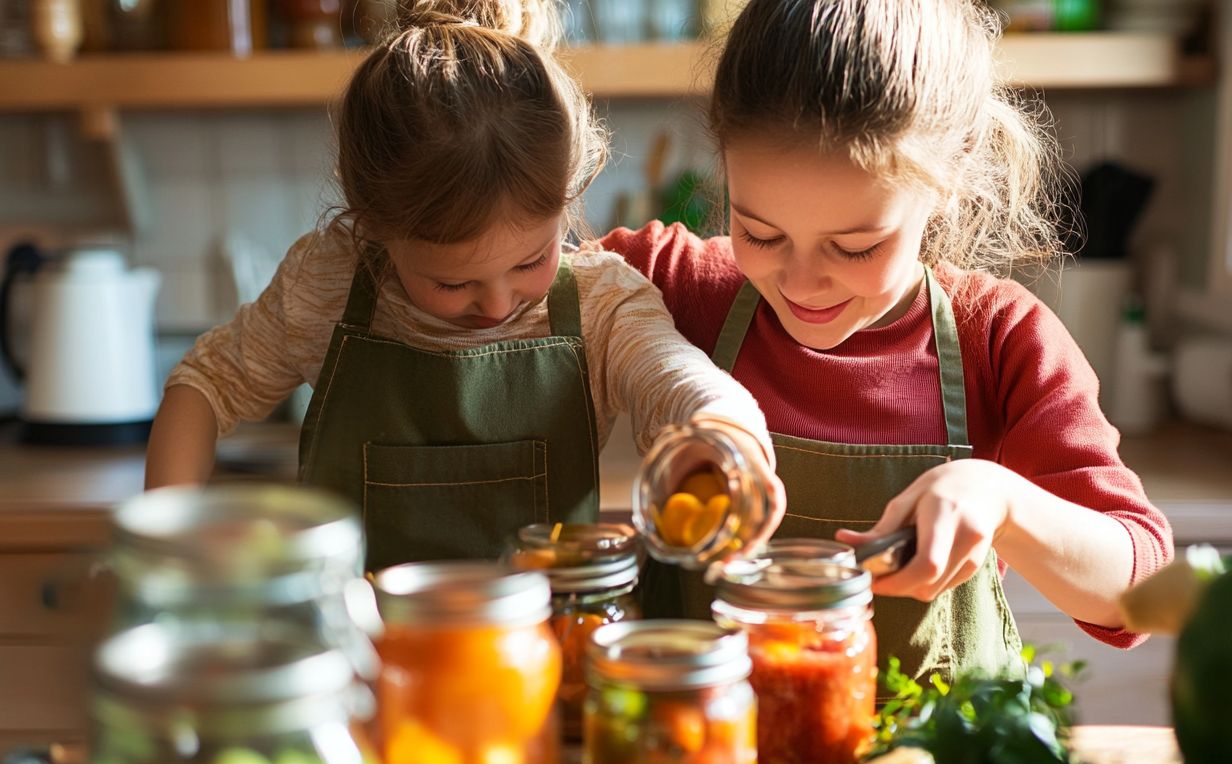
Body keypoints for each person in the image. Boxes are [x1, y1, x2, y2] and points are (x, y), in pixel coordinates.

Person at [601, 0, 1173, 682]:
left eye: (856, 246)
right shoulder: (674, 286)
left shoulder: (998, 340)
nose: (804, 281)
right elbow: (506, 275)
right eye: (759, 233)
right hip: (704, 763)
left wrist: (1004, 501)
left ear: (949, 182)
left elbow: (1142, 593)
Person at [144, 0, 783, 571]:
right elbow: (205, 385)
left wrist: (727, 438)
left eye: (532, 260)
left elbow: (681, 383)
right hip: (363, 662)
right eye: (453, 283)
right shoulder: (331, 282)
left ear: (567, 203)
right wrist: (162, 551)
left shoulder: (600, 305)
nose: (499, 303)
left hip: (539, 660)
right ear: (376, 229)